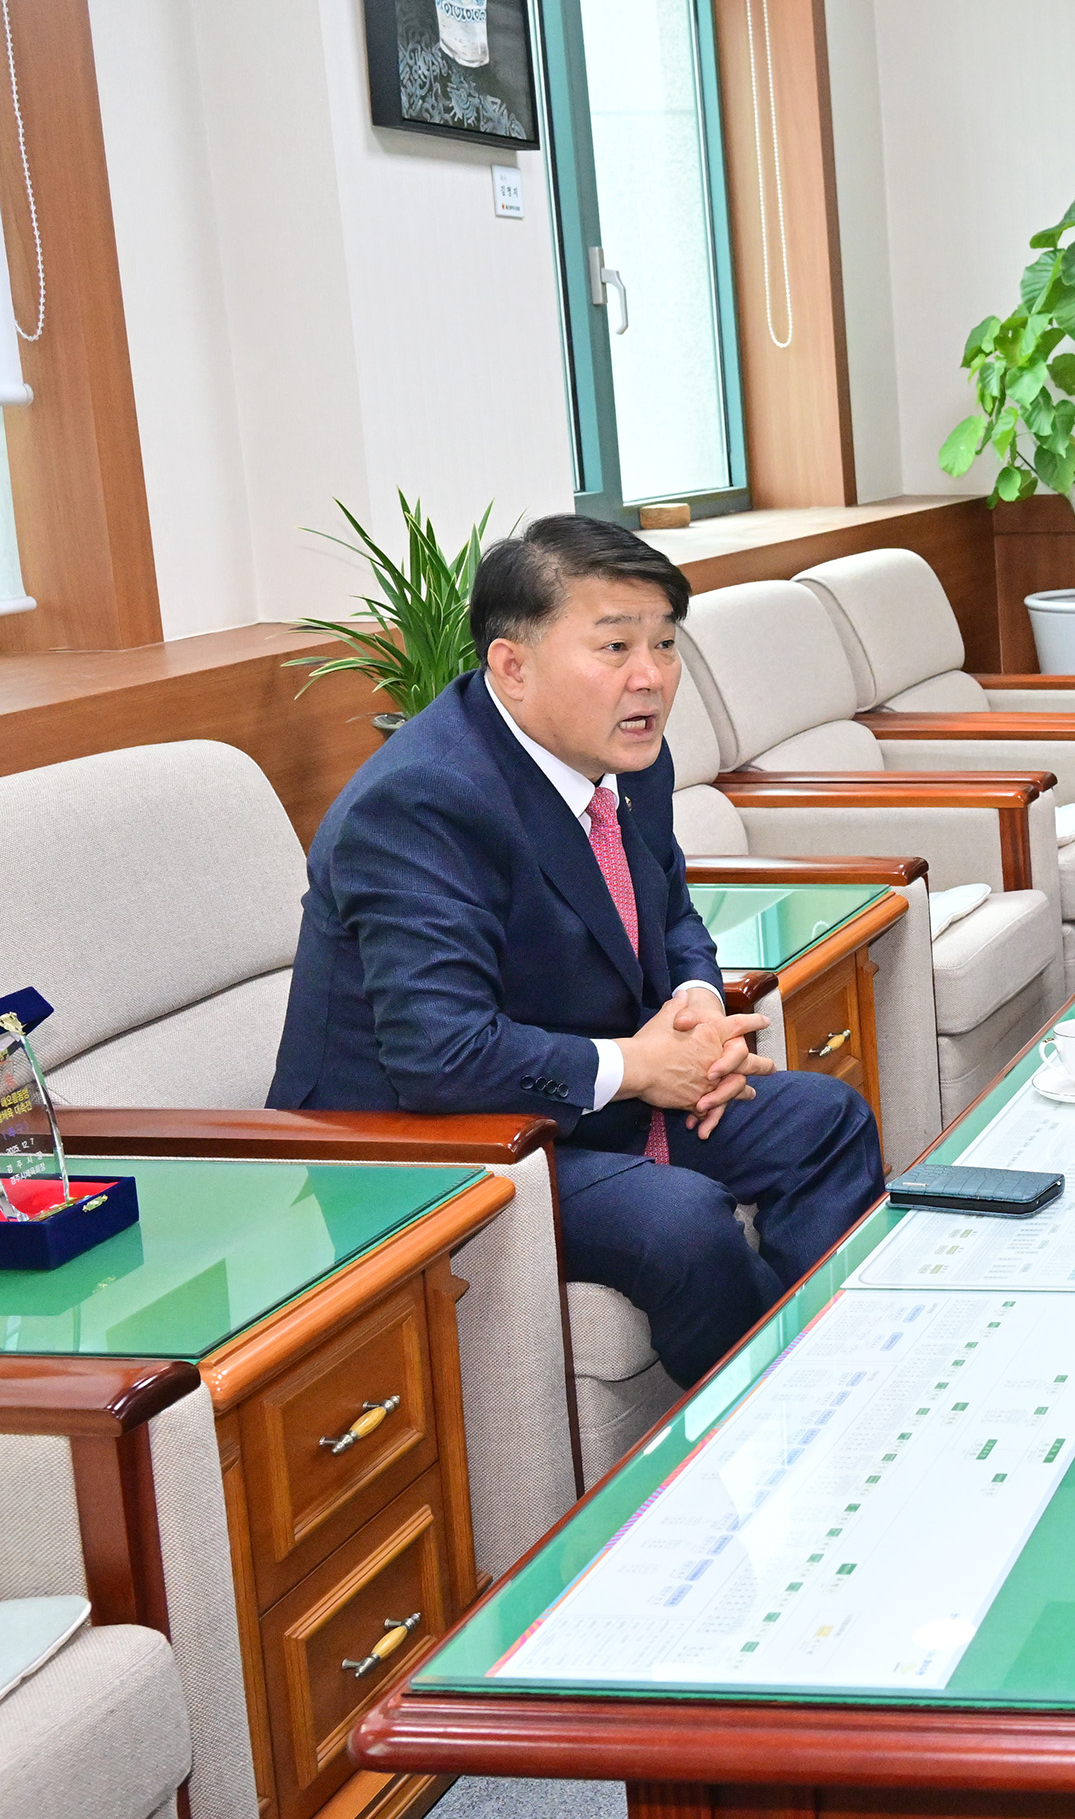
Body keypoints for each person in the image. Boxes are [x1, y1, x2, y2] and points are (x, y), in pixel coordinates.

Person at [270, 515, 887, 1389]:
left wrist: (698, 1007)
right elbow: (438, 1057)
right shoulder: (420, 805)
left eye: (666, 644)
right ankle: (788, 1403)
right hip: (430, 1142)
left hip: (582, 1095)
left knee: (825, 1121)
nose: (652, 678)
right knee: (682, 1221)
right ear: (512, 665)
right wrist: (637, 1066)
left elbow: (669, 910)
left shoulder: (629, 755)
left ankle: (844, 1363)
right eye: (615, 647)